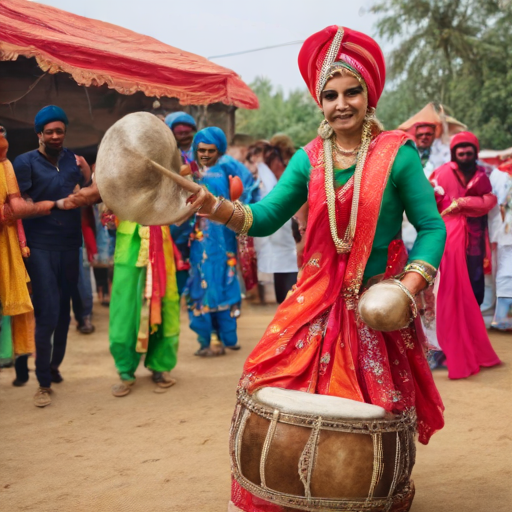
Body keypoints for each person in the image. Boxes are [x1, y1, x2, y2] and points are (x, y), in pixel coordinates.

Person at [191, 26, 446, 511]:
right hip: (314, 298)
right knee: (264, 382)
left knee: (372, 410)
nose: (341, 103)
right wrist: (214, 205)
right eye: (330, 95)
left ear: (369, 94)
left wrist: (406, 288)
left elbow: (432, 228)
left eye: (352, 92)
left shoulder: (398, 154)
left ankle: (366, 495)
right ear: (319, 101)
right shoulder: (309, 159)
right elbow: (264, 218)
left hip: (375, 304)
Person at [13, 106, 91, 407]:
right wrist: (55, 204)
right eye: (50, 132)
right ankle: (42, 382)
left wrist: (86, 176)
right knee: (47, 312)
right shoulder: (25, 163)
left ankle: (54, 368)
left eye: (60, 131)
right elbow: (21, 206)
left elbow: (86, 190)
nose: (56, 136)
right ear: (39, 134)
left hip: (71, 244)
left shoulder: (73, 160)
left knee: (64, 313)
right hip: (41, 246)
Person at [429, 131, 501, 378]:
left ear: (475, 153)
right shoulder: (441, 173)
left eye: (469, 152)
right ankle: (449, 349)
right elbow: (430, 205)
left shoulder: (483, 174)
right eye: (461, 152)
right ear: (453, 153)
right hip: (449, 241)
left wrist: (463, 203)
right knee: (451, 295)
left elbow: (489, 201)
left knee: (475, 293)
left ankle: (468, 346)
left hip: (475, 243)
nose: (465, 156)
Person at [185, 127, 257, 357]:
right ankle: (207, 339)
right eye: (201, 150)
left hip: (224, 235)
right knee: (201, 281)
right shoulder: (191, 168)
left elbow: (251, 188)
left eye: (211, 150)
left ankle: (228, 336)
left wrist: (242, 213)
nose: (205, 154)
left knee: (226, 279)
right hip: (197, 238)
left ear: (220, 150)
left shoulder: (228, 165)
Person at [0, 128, 54, 387]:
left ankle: (21, 367)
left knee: (20, 305)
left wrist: (31, 209)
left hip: (14, 245)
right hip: (14, 240)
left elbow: (16, 207)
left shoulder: (7, 165)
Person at [109, 217, 180, 397]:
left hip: (160, 238)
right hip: (129, 240)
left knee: (166, 303)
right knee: (124, 307)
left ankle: (161, 366)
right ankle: (125, 370)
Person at [246, 142, 298, 303]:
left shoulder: (281, 175)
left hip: (288, 243)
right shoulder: (261, 175)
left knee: (287, 291)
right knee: (284, 294)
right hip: (279, 240)